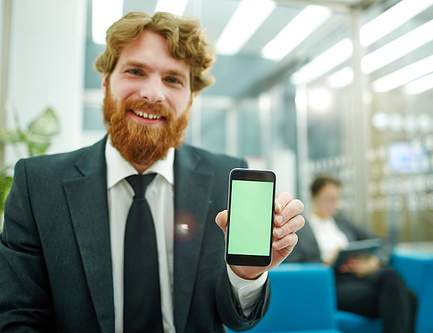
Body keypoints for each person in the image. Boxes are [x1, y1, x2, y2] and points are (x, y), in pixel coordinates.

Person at [0, 11, 304, 333]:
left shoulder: (225, 177)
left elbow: (237, 319)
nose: (153, 94)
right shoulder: (39, 184)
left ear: (190, 98)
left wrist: (246, 274)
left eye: (173, 79)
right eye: (135, 71)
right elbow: (18, 316)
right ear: (106, 82)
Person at [287, 174, 417, 333]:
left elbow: (384, 242)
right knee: (408, 297)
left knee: (392, 278)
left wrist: (374, 262)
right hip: (333, 283)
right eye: (328, 198)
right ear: (314, 197)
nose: (333, 204)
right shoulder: (302, 229)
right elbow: (294, 266)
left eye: (337, 199)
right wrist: (327, 264)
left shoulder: (343, 223)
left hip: (358, 276)